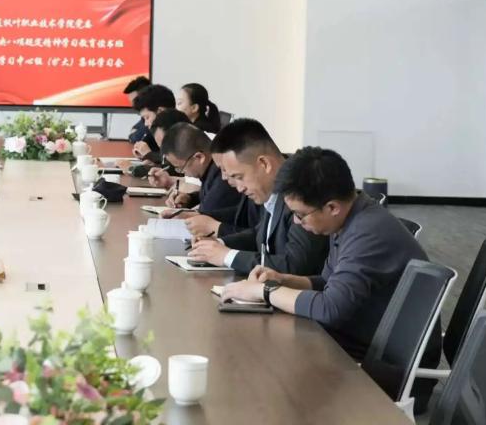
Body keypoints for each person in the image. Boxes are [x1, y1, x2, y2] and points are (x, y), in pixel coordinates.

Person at [220, 147, 439, 410]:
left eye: (300, 215)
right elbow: (326, 283)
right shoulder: (350, 218)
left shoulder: (367, 234)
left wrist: (264, 291)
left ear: (332, 207)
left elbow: (329, 308)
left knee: (267, 376)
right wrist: (282, 279)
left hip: (386, 370)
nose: (297, 223)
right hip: (360, 344)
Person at [186, 118, 328, 276]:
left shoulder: (303, 188)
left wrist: (227, 256)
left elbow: (295, 265)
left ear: (264, 164)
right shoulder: (272, 186)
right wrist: (218, 244)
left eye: (239, 177)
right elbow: (260, 235)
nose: (239, 188)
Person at [159, 122, 243, 224]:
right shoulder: (211, 170)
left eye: (181, 168)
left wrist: (185, 215)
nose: (183, 172)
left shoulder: (222, 176)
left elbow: (206, 215)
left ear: (199, 157)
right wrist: (190, 198)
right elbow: (209, 195)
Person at [130, 84, 175, 160]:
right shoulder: (154, 131)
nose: (146, 124)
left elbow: (173, 162)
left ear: (160, 112)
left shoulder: (180, 133)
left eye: (147, 117)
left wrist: (149, 155)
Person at [123, 76, 152, 143]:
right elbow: (136, 127)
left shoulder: (154, 112)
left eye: (135, 101)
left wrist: (132, 135)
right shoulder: (145, 114)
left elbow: (137, 138)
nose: (133, 106)